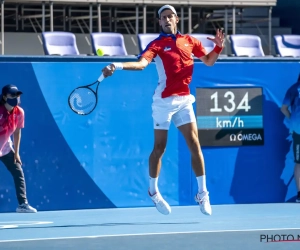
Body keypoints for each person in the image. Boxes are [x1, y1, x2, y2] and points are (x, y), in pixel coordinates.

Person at [102, 4, 224, 215]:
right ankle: (153, 191)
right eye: (163, 17)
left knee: (194, 143)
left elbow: (209, 61)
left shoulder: (190, 41)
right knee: (160, 148)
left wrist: (219, 47)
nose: (167, 20)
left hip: (184, 100)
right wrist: (116, 65)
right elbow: (141, 64)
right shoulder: (156, 45)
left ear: (177, 19)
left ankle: (203, 193)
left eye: (170, 16)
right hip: (163, 102)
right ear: (159, 22)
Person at [0, 84, 37, 213]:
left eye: (17, 95)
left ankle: (22, 205)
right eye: (12, 95)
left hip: (5, 148)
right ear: (4, 97)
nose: (15, 98)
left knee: (18, 172)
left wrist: (17, 153)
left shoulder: (19, 112)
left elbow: (17, 132)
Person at [281, 74, 300, 203]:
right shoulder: (294, 89)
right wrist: (293, 122)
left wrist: (292, 121)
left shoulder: (293, 88)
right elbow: (284, 109)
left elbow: (284, 109)